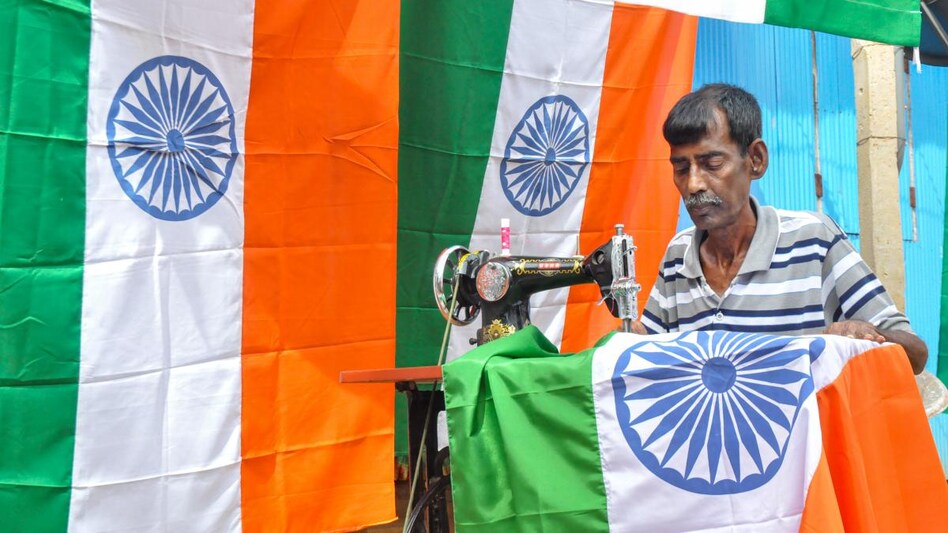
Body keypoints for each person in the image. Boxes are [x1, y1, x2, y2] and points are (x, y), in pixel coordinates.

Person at [633, 83, 928, 374]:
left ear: (756, 160)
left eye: (712, 163)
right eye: (681, 168)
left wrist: (868, 335)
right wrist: (632, 341)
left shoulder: (814, 241)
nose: (693, 184)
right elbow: (654, 359)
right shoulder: (679, 256)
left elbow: (915, 354)